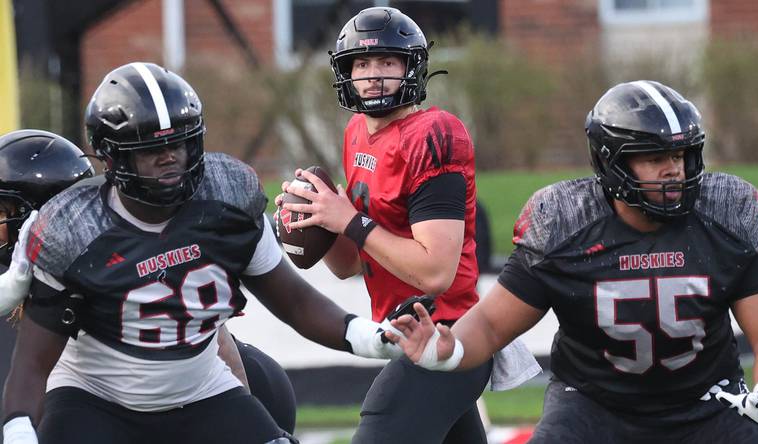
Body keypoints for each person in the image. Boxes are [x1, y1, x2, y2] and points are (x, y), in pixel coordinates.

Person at [1, 63, 401, 444]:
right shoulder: (73, 229)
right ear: (114, 157)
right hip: (98, 401)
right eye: (150, 151)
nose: (170, 159)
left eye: (179, 144)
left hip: (201, 392)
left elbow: (295, 301)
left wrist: (373, 335)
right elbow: (30, 366)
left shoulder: (228, 199)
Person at [386, 80, 758, 443]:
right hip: (594, 407)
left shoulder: (724, 215)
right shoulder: (566, 225)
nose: (674, 170)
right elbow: (493, 324)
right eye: (655, 158)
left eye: (681, 155)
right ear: (612, 162)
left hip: (707, 403)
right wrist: (449, 347)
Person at [279, 7, 539, 443]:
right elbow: (350, 266)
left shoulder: (434, 135)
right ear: (347, 73)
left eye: (387, 62)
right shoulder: (356, 133)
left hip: (447, 335)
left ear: (411, 69)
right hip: (403, 333)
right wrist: (316, 219)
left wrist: (350, 219)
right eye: (362, 63)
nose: (374, 75)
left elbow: (435, 272)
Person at [0, 130, 298, 436]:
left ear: (44, 217)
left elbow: (218, 346)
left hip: (240, 388)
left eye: (1, 212)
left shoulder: (98, 262)